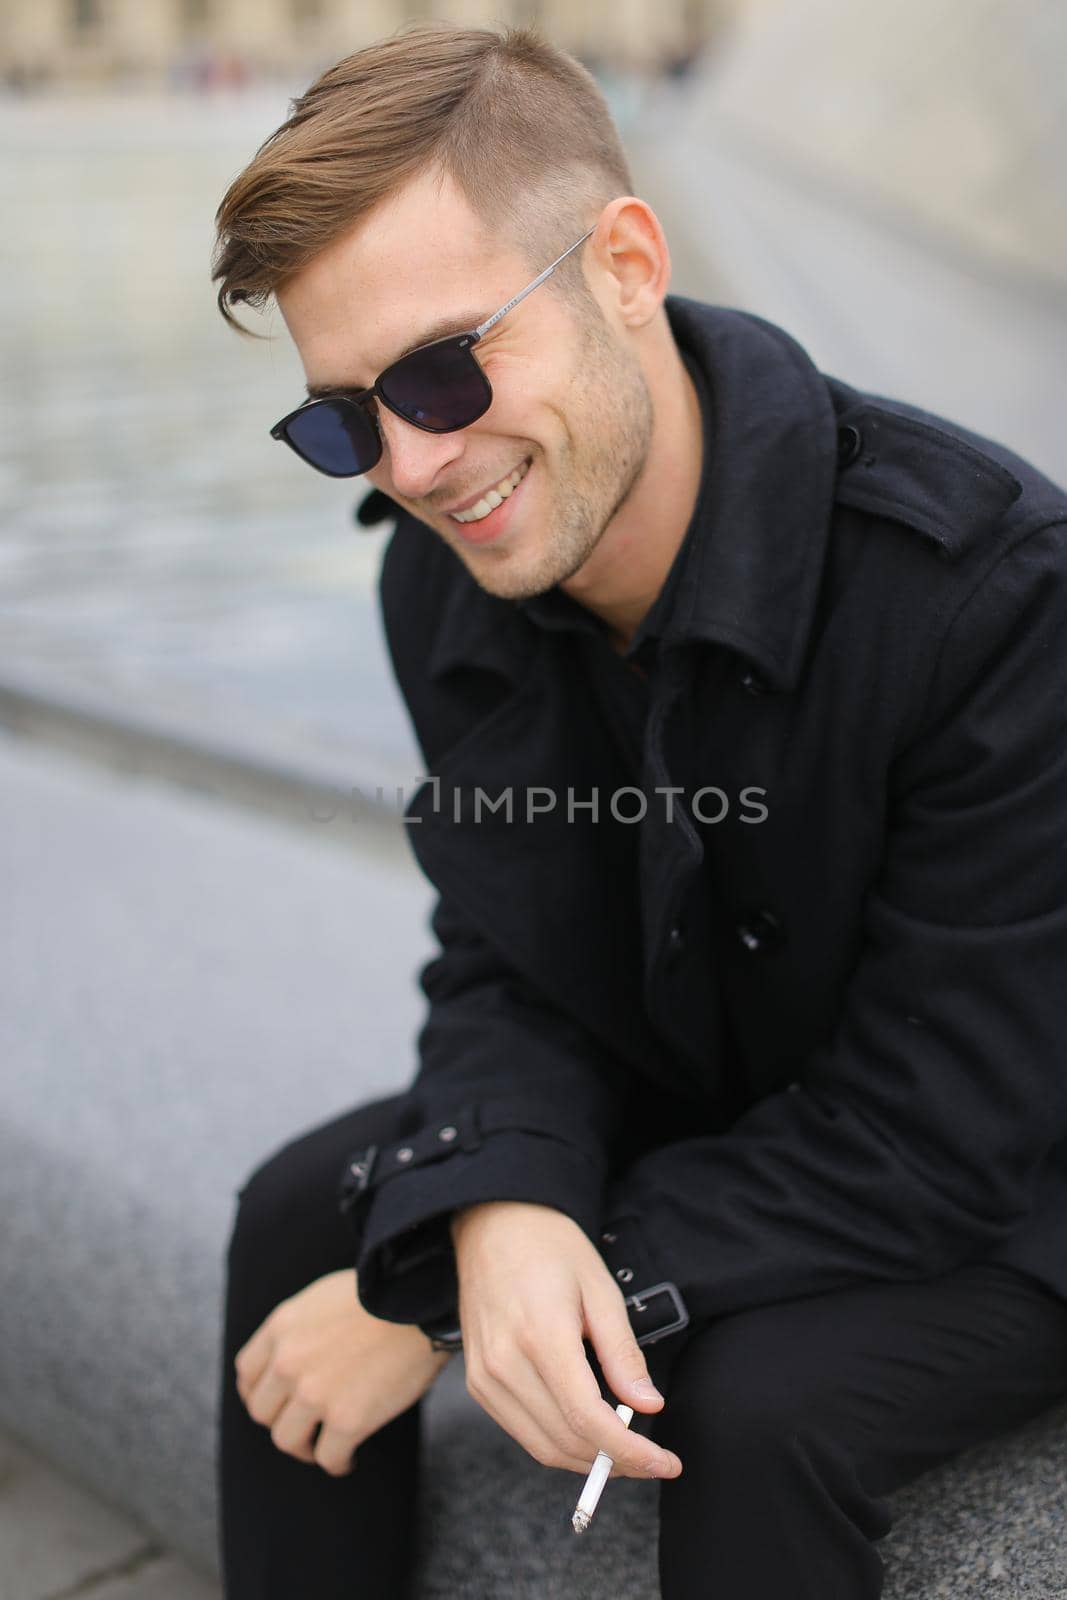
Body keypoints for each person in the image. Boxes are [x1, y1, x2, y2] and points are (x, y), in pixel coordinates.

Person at [210, 22, 1067, 1600]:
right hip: (737, 1079)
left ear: (623, 264)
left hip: (1013, 1165)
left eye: (443, 368)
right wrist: (490, 1198)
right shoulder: (445, 575)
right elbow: (507, 951)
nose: (412, 462)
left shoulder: (995, 588)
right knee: (302, 1224)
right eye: (342, 418)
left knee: (755, 1411)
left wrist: (483, 1284)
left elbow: (946, 1128)